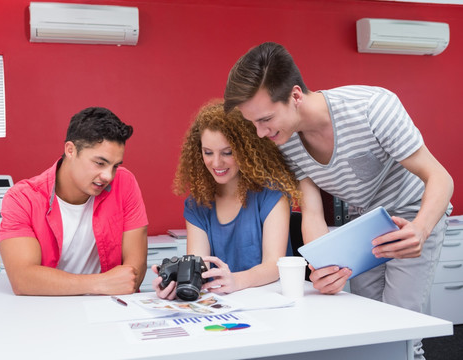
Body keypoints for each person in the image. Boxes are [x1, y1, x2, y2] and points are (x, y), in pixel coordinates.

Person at [223, 42, 453, 359]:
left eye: (265, 119)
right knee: (365, 323)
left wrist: (422, 229)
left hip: (415, 215)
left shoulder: (373, 107)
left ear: (295, 96)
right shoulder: (285, 142)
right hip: (366, 224)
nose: (261, 133)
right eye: (253, 123)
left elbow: (440, 177)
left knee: (401, 327)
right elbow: (313, 212)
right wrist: (324, 265)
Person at [152, 102, 300, 299]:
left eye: (227, 152)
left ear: (246, 150)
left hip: (269, 300)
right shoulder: (197, 205)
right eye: (208, 152)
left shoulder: (272, 194)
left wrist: (236, 281)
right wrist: (180, 282)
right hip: (225, 305)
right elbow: (200, 264)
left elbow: (274, 265)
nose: (216, 163)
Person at [0, 107, 148, 296]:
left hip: (110, 307)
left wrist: (117, 285)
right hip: (49, 309)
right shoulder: (21, 199)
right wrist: (99, 284)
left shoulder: (125, 183)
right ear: (70, 150)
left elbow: (134, 270)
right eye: (100, 163)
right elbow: (23, 279)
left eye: (115, 166)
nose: (108, 176)